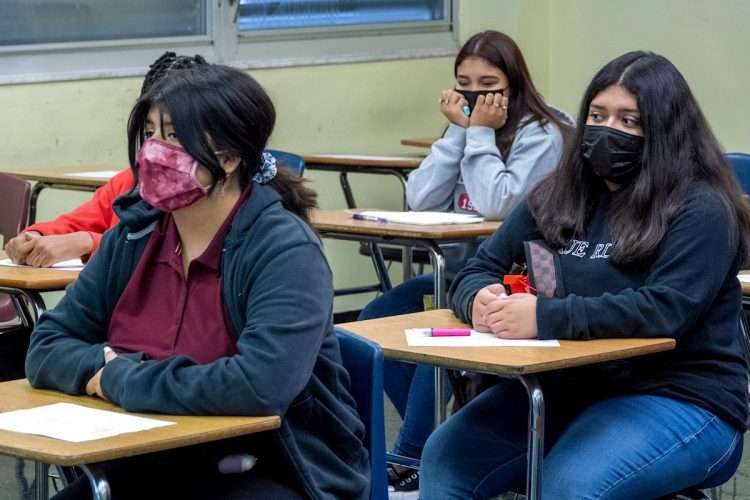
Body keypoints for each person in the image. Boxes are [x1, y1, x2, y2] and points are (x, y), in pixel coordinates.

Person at [25, 64, 369, 499]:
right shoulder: (133, 234)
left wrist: (121, 379)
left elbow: (258, 385)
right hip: (146, 465)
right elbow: (47, 345)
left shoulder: (284, 249)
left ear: (228, 157)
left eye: (173, 136)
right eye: (149, 134)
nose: (153, 151)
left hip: (271, 471)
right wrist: (99, 367)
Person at [420, 51, 750, 499]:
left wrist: (544, 317)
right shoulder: (559, 193)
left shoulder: (702, 208)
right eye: (597, 115)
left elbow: (665, 310)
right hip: (568, 386)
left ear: (664, 131)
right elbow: (480, 267)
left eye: (629, 121)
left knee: (571, 486)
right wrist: (477, 298)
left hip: (680, 394)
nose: (608, 130)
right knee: (445, 457)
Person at [359, 31, 572, 498]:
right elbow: (419, 197)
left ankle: (415, 456)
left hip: (527, 276)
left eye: (489, 82)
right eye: (463, 82)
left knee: (438, 332)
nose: (475, 94)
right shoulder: (464, 124)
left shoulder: (544, 132)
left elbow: (499, 204)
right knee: (377, 320)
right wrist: (459, 129)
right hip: (462, 271)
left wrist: (476, 133)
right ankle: (441, 437)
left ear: (514, 85)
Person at [4, 51, 207, 268]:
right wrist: (34, 236)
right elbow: (74, 223)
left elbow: (166, 250)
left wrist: (88, 243)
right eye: (149, 133)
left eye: (173, 133)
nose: (155, 145)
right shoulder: (129, 182)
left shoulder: (209, 196)